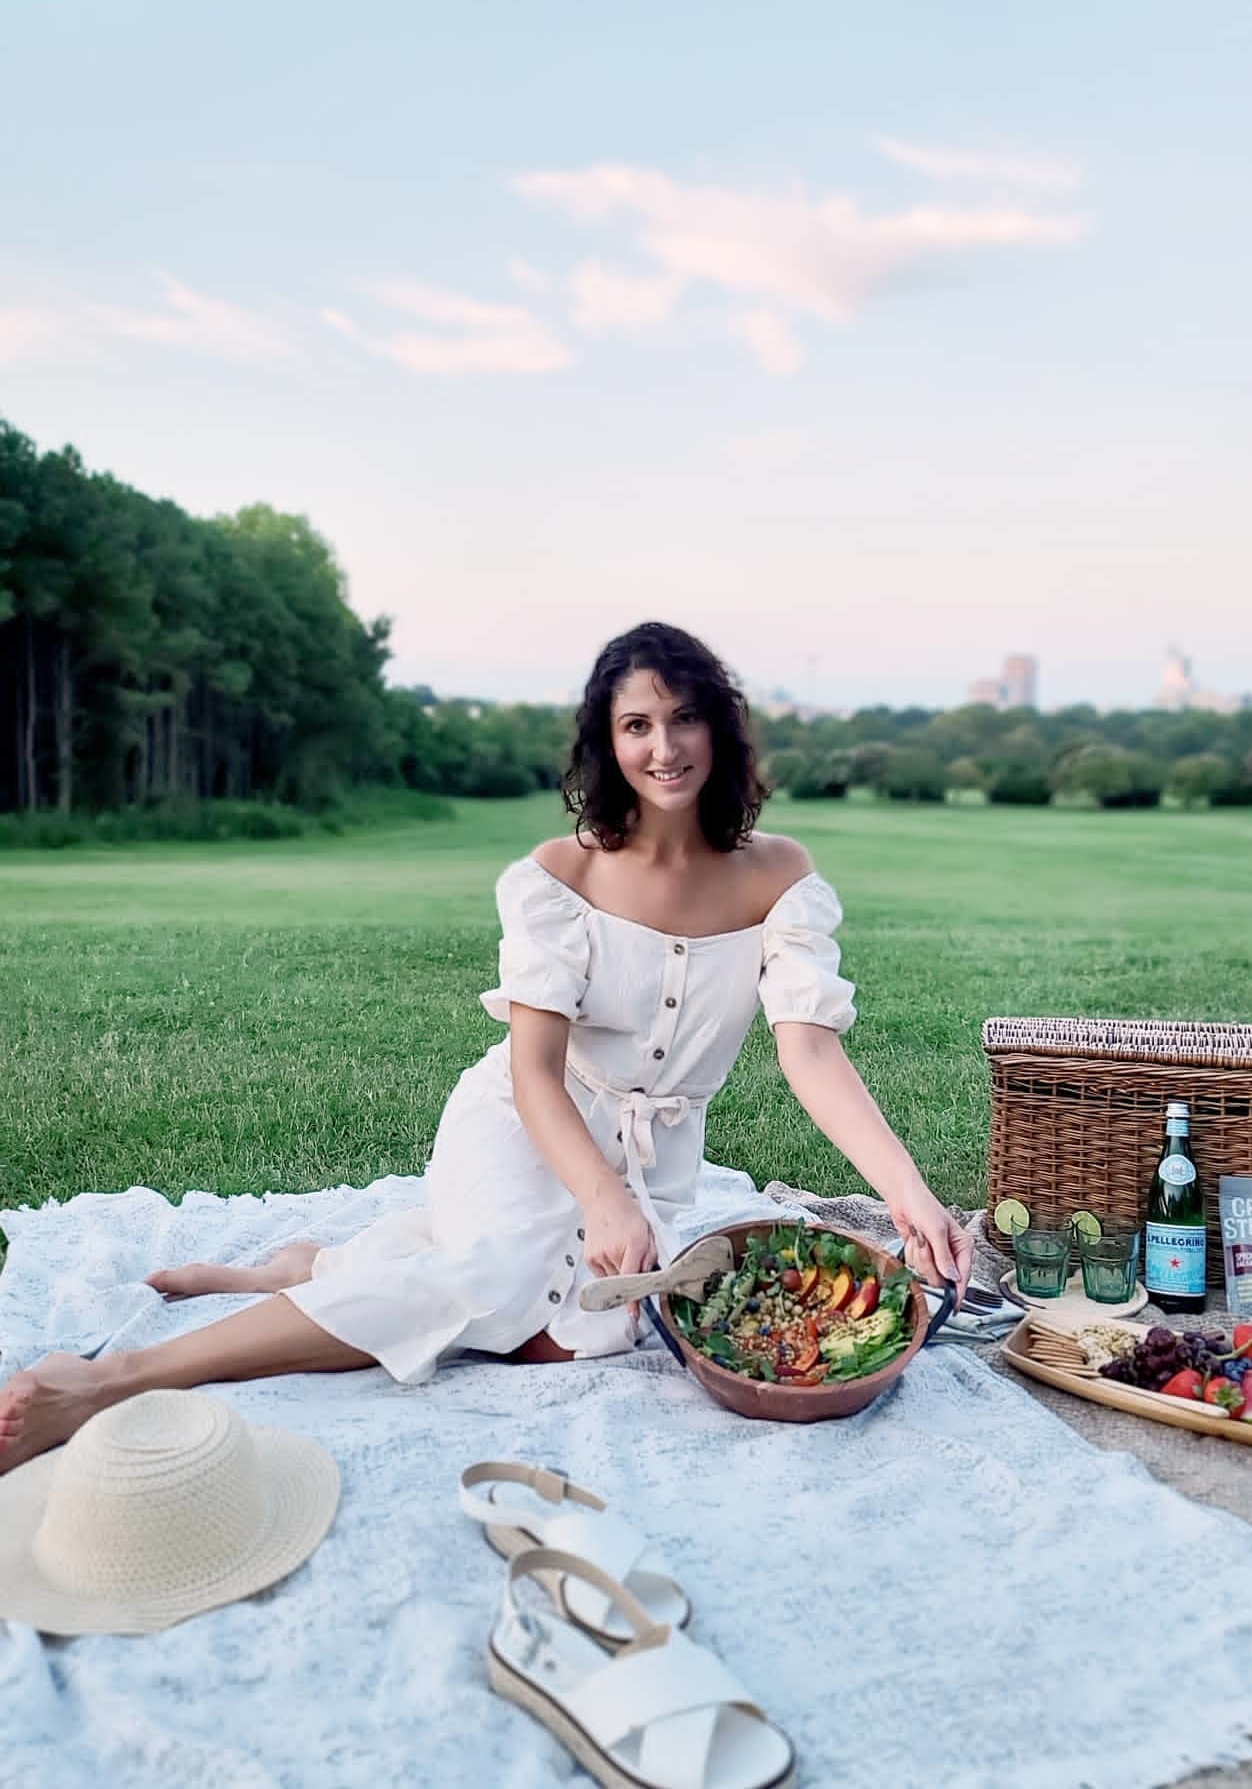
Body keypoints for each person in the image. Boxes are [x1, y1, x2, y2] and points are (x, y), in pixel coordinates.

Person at [0, 622, 973, 1476]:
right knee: (485, 1288)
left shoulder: (780, 875)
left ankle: (312, 1266)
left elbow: (811, 1054)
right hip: (527, 1121)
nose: (664, 747)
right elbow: (532, 1069)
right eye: (637, 725)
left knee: (570, 1343)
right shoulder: (558, 877)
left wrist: (908, 1194)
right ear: (607, 742)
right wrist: (601, 1198)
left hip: (656, 1154)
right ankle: (111, 1380)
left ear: (720, 727)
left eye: (684, 718)